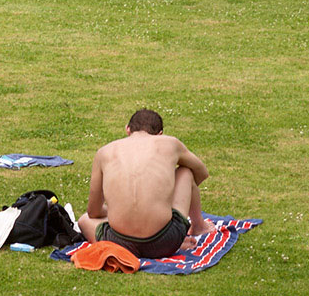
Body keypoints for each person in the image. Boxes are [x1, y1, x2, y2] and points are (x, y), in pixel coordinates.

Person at [77, 109, 215, 259]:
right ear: (160, 134)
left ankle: (124, 250)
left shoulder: (104, 152)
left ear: (127, 129)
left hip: (119, 243)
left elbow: (93, 212)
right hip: (165, 241)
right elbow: (201, 172)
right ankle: (199, 226)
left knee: (84, 220)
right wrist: (165, 199)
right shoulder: (170, 143)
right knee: (186, 172)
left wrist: (116, 208)